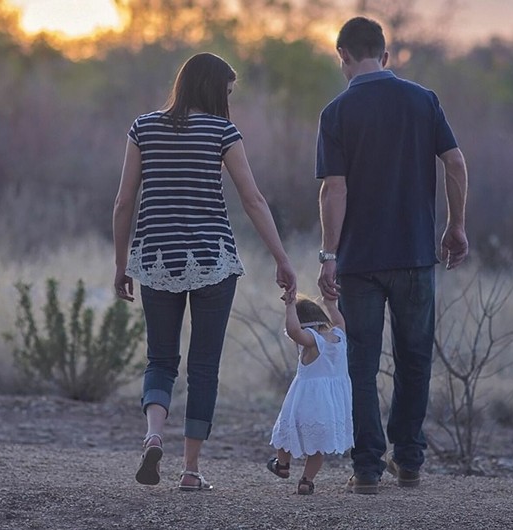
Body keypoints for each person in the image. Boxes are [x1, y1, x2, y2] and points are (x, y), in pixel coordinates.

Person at [112, 52, 297, 491]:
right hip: (213, 260)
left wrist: (122, 264)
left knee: (160, 359)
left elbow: (123, 202)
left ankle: (154, 434)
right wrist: (282, 258)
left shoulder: (143, 128)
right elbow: (253, 200)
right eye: (228, 92)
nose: (229, 100)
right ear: (215, 89)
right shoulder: (222, 131)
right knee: (204, 367)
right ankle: (191, 470)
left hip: (156, 259)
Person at [315, 17, 469, 494]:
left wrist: (328, 254)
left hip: (359, 261)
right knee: (415, 358)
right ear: (385, 55)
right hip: (416, 255)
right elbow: (456, 162)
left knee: (360, 363)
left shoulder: (336, 112)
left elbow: (333, 190)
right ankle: (409, 460)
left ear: (342, 55)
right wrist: (456, 225)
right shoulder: (423, 101)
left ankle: (366, 469)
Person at [267, 293, 353, 495]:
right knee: (318, 446)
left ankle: (282, 464)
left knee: (286, 431)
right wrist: (330, 304)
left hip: (306, 401)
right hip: (331, 405)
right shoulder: (340, 336)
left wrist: (289, 306)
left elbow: (294, 330)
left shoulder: (312, 341)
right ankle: (306, 481)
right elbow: (339, 321)